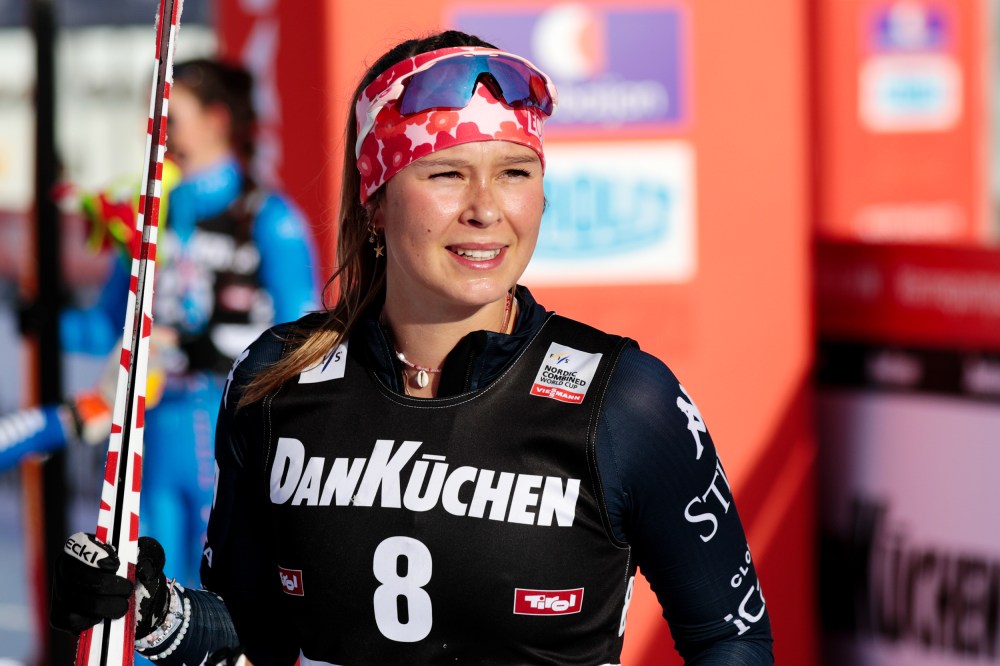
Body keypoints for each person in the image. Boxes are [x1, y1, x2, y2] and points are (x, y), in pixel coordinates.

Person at [50, 31, 773, 664]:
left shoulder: (624, 398)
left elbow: (731, 637)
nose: (486, 208)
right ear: (375, 203)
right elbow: (253, 634)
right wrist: (149, 612)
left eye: (514, 172)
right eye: (446, 173)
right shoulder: (278, 382)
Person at [57, 58, 320, 587]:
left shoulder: (266, 216)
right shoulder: (149, 215)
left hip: (230, 433)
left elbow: (305, 339)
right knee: (140, 596)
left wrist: (218, 348)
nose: (152, 132)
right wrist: (44, 315)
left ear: (217, 119)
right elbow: (110, 325)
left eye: (169, 118)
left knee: (215, 598)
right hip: (149, 433)